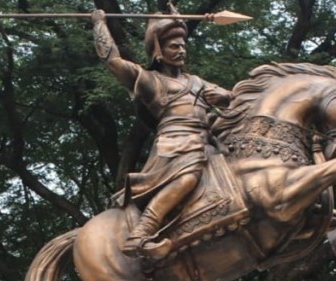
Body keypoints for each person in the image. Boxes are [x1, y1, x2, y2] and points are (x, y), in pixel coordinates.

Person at [92, 8, 232, 258]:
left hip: (208, 140)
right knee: (189, 176)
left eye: (183, 46)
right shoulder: (149, 80)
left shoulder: (197, 82)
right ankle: (141, 233)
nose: (181, 51)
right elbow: (112, 61)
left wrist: (226, 96)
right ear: (159, 50)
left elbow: (235, 100)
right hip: (176, 144)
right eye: (174, 47)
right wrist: (99, 24)